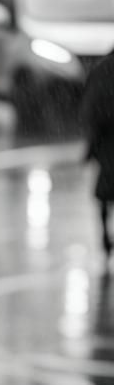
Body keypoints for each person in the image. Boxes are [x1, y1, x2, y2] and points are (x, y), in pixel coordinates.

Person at [81, 49, 114, 264]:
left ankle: (105, 235)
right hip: (107, 136)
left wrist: (92, 141)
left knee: (105, 190)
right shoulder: (103, 70)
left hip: (106, 138)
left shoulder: (102, 69)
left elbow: (91, 107)